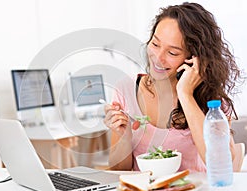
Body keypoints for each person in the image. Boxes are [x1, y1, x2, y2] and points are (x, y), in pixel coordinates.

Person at [103, 2, 243, 172]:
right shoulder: (126, 89)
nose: (158, 57)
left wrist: (185, 94)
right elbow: (118, 172)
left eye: (172, 53)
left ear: (193, 58)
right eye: (155, 44)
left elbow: (221, 164)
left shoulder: (212, 101)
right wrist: (123, 136)